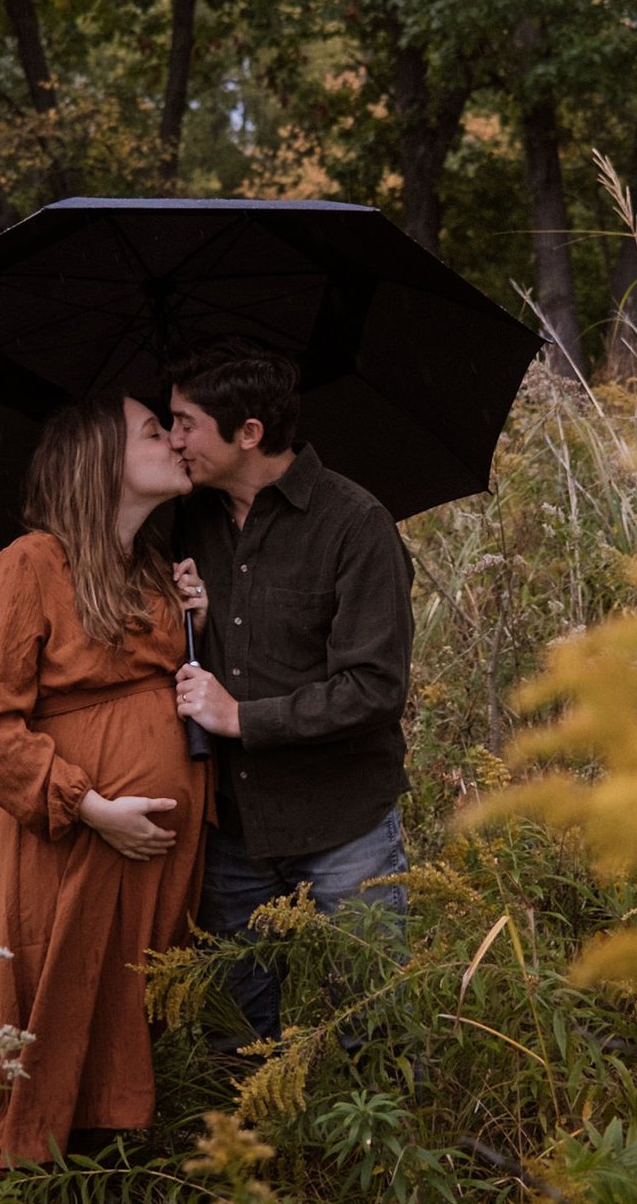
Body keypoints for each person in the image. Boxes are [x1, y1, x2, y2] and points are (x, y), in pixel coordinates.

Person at [0, 394, 214, 1165]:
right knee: (51, 995)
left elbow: (163, 697)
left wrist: (194, 629)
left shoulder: (152, 570)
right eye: (155, 430)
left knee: (113, 1006)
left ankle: (109, 1164)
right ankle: (30, 1163)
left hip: (145, 855)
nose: (175, 441)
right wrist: (93, 805)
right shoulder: (27, 566)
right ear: (100, 459)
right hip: (66, 844)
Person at [166, 338, 415, 1042]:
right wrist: (200, 626)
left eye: (185, 422)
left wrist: (241, 716)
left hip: (343, 827)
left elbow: (374, 686)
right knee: (235, 1036)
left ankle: (377, 1151)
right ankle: (249, 1155)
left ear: (248, 433)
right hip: (235, 831)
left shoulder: (355, 524)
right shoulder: (190, 520)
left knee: (373, 1027)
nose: (173, 438)